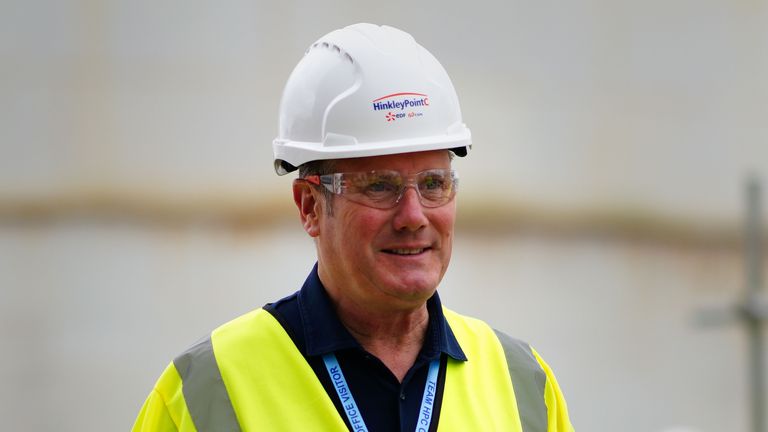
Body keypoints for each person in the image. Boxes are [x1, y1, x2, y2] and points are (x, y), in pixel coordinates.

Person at [132, 23, 574, 432]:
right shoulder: (206, 390)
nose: (414, 216)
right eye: (380, 186)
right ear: (309, 205)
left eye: (434, 184)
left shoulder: (523, 385)